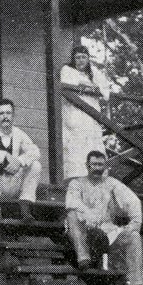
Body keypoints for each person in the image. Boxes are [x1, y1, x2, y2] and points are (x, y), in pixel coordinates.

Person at [65, 150, 143, 285]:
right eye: (94, 164)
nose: (97, 168)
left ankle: (135, 284)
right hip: (81, 233)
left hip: (104, 232)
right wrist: (88, 214)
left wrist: (135, 222)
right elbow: (72, 203)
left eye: (101, 165)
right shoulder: (76, 183)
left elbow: (132, 200)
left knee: (133, 236)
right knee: (72, 214)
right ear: (87, 165)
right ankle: (83, 258)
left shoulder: (111, 183)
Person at [0, 99, 42, 209]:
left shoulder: (19, 134)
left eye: (8, 113)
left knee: (35, 165)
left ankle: (25, 205)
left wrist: (19, 161)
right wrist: (3, 155)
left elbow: (35, 151)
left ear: (13, 117)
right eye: (1, 113)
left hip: (12, 183)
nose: (5, 117)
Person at [59, 44, 110, 182]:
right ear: (73, 59)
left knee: (92, 141)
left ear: (88, 59)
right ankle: (76, 175)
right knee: (76, 142)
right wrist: (88, 87)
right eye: (77, 57)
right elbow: (69, 86)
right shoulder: (67, 70)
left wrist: (93, 88)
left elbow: (104, 89)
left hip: (91, 113)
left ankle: (95, 172)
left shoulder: (93, 72)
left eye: (84, 57)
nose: (81, 60)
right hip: (75, 111)